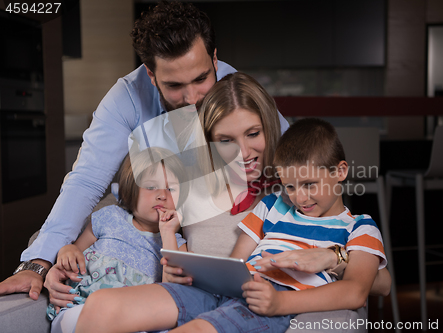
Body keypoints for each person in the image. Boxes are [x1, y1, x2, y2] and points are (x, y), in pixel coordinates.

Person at [0, 0, 289, 300]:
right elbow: (86, 181)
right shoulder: (125, 98)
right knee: (55, 244)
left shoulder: (233, 87)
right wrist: (37, 263)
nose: (192, 98)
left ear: (214, 60)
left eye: (201, 79)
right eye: (175, 85)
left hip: (220, 204)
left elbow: (290, 153)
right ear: (151, 76)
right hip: (146, 205)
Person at [72, 74, 390, 333]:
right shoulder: (187, 183)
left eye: (253, 133)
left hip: (261, 301)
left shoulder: (296, 188)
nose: (243, 152)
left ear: (270, 126)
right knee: (102, 307)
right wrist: (59, 253)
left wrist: (334, 258)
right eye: (226, 140)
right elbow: (124, 206)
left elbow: (379, 283)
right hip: (207, 293)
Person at [47, 146, 188, 333]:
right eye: (151, 186)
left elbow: (173, 295)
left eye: (171, 189)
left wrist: (168, 233)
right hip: (80, 309)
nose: (162, 195)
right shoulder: (109, 217)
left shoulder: (177, 245)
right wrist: (67, 250)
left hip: (134, 320)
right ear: (131, 189)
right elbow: (74, 251)